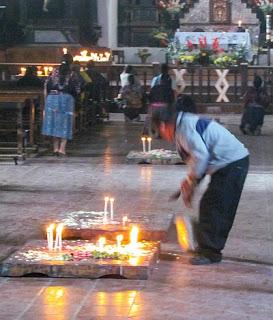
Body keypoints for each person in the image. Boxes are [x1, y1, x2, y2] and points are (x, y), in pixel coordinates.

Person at [152, 95, 249, 265]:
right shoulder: (182, 125)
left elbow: (201, 156)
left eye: (159, 131)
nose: (162, 135)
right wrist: (190, 183)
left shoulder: (184, 128)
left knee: (216, 206)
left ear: (163, 125)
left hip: (232, 163)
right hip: (225, 163)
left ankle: (211, 252)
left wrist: (192, 181)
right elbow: (197, 159)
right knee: (210, 204)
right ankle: (205, 246)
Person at [42, 60, 81, 156]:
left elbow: (46, 87)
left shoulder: (52, 74)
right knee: (65, 124)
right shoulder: (73, 75)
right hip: (66, 100)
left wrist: (45, 101)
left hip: (52, 99)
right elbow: (77, 90)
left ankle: (55, 148)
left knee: (53, 123)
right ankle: (62, 149)